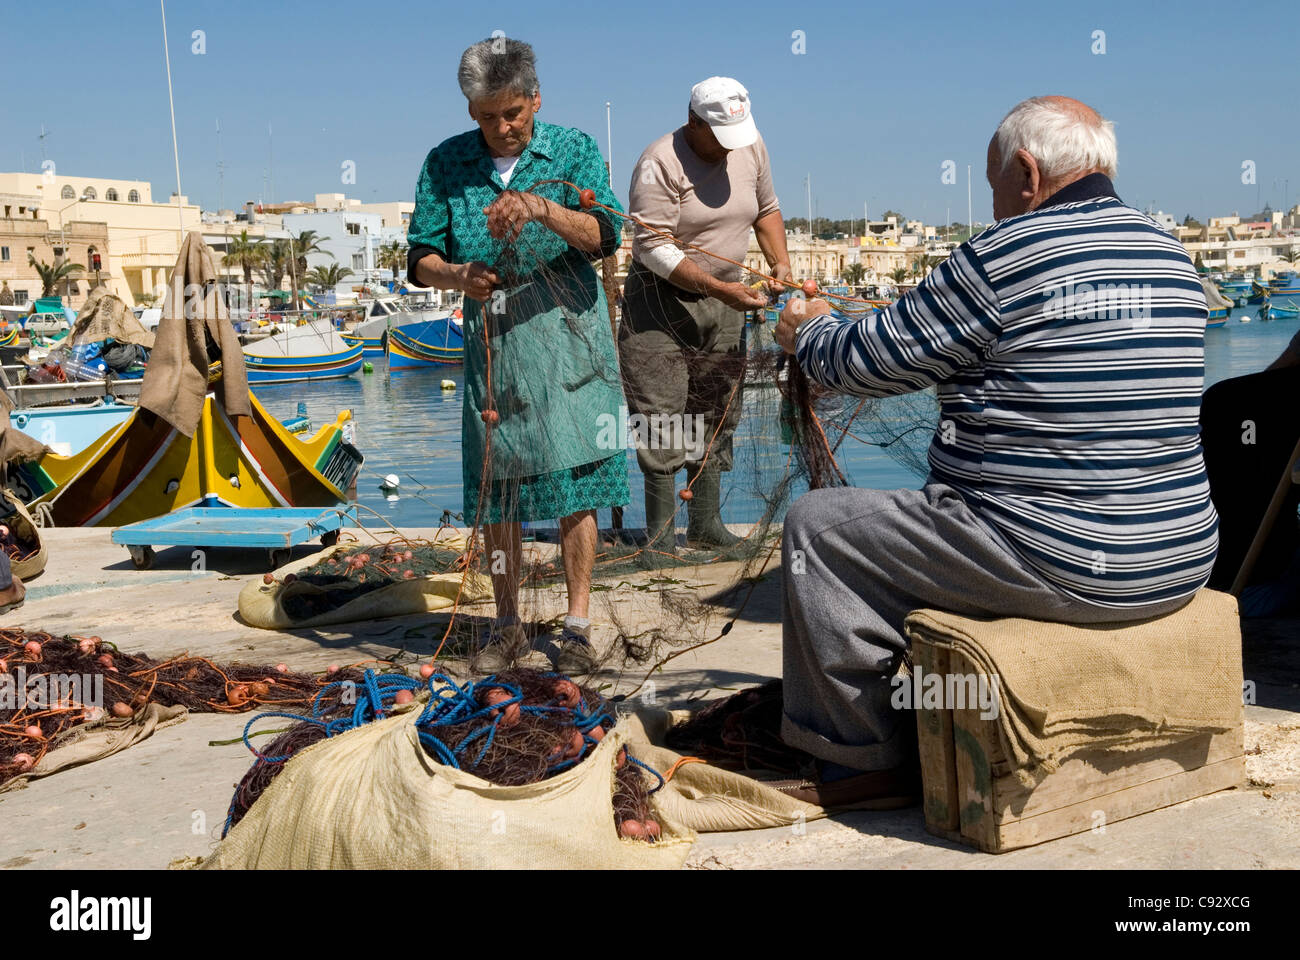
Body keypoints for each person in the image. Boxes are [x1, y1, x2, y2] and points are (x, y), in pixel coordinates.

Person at [771, 96, 1219, 807]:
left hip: (1061, 556)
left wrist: (810, 327)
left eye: (992, 186)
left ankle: (860, 761)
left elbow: (858, 364)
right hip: (1179, 557)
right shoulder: (1169, 253)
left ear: (1027, 172)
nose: (995, 206)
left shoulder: (1005, 254)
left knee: (819, 530)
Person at [406, 37, 626, 674]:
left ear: (535, 99)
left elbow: (606, 234)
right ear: (470, 110)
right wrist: (457, 276)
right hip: (494, 349)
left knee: (578, 485)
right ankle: (507, 624)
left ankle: (579, 626)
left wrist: (540, 207)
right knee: (499, 492)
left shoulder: (575, 150)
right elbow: (420, 258)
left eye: (512, 113)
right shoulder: (445, 163)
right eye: (485, 116)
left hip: (571, 342)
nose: (501, 128)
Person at [621, 77, 791, 554]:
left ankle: (705, 525)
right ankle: (659, 539)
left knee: (715, 410)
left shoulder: (750, 146)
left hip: (727, 302)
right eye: (718, 137)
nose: (728, 148)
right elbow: (652, 247)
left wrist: (781, 263)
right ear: (693, 122)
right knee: (661, 416)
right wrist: (718, 287)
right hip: (660, 302)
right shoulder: (660, 162)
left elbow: (767, 210)